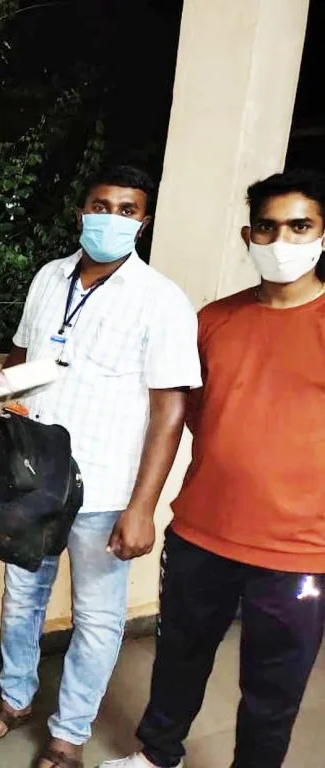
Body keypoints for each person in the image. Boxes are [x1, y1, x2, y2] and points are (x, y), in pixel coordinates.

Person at [0, 166, 202, 768]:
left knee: (96, 617)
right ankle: (15, 700)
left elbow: (170, 409)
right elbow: (20, 357)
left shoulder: (162, 300)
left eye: (126, 209)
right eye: (101, 205)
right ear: (81, 212)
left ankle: (68, 736)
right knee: (21, 600)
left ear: (143, 221)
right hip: (30, 480)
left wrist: (142, 507)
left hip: (104, 491)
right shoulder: (48, 277)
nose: (111, 218)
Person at [100, 170, 325, 768]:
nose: (282, 242)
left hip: (299, 552)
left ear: (322, 234)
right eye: (268, 228)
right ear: (249, 236)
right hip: (201, 533)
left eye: (300, 226)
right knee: (179, 656)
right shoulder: (213, 321)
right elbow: (190, 415)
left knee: (273, 688)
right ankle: (157, 755)